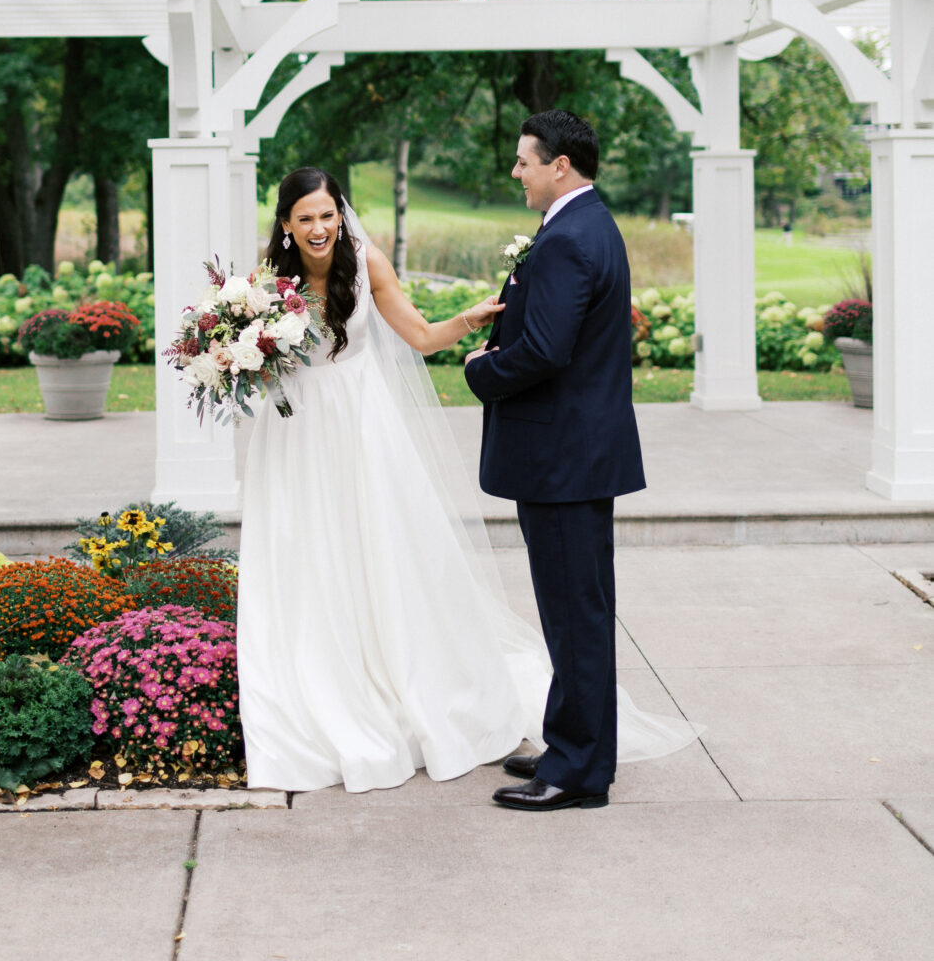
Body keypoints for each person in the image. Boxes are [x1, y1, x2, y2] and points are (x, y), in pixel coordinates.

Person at [237, 162, 698, 796]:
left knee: (380, 556)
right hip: (297, 441)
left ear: (340, 216)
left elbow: (422, 337)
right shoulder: (264, 287)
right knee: (305, 558)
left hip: (362, 436)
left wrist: (474, 320)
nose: (319, 228)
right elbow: (259, 369)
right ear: (286, 226)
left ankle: (418, 691)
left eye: (328, 215)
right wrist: (229, 359)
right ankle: (316, 685)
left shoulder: (366, 264)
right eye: (305, 218)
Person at [464, 109, 647, 812]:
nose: (516, 172)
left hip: (563, 456)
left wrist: (483, 368)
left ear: (558, 166)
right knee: (574, 611)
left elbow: (543, 351)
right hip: (574, 453)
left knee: (574, 615)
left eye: (522, 161)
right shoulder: (584, 224)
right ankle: (575, 743)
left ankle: (577, 773)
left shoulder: (570, 237)